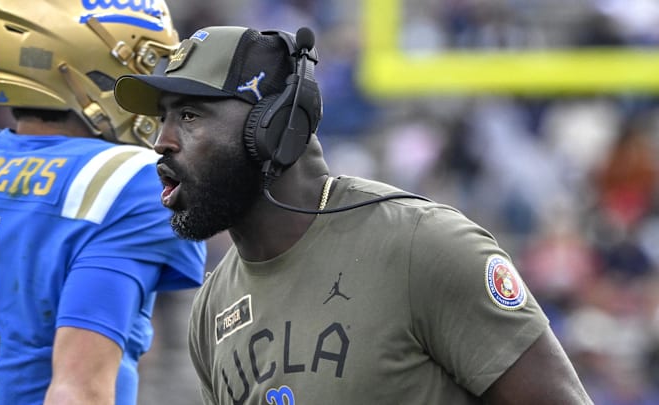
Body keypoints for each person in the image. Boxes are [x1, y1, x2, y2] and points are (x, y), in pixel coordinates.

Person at [114, 25, 593, 404]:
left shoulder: (423, 246)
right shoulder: (213, 305)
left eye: (190, 116)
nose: (162, 141)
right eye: (163, 119)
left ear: (276, 128)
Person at [0, 1, 206, 404]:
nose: (156, 86)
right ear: (84, 67)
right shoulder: (128, 180)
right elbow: (78, 392)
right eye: (144, 62)